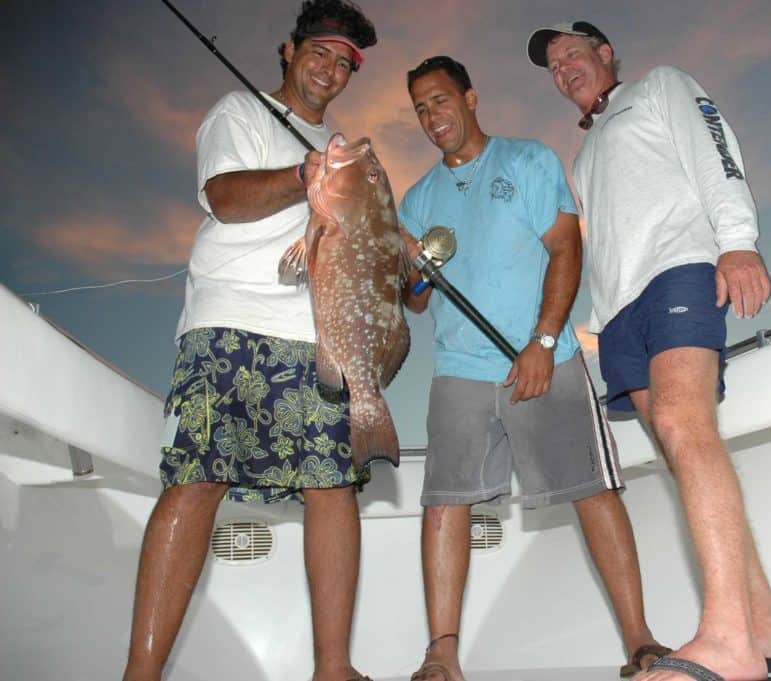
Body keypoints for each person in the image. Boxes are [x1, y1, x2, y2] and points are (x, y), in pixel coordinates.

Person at [527, 21, 771, 681]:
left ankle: (729, 641)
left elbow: (716, 149)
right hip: (622, 312)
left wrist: (738, 238)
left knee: (686, 423)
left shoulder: (659, 87)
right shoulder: (585, 154)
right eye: (554, 65)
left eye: (573, 52)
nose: (564, 66)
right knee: (680, 456)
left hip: (680, 269)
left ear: (606, 53)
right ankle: (769, 629)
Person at [123, 3, 378, 680]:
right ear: (289, 51)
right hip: (227, 324)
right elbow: (226, 197)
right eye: (319, 53)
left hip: (316, 333)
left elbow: (361, 246)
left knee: (332, 486)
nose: (330, 70)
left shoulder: (343, 154)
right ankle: (140, 673)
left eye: (345, 63)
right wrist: (304, 177)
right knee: (197, 481)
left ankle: (333, 668)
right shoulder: (237, 110)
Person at [398, 56, 669, 681]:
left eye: (440, 100)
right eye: (419, 108)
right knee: (444, 503)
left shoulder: (527, 161)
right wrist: (410, 267)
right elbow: (415, 300)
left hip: (542, 358)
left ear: (469, 97)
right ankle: (441, 654)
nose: (431, 116)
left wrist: (544, 341)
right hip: (460, 369)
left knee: (592, 493)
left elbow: (565, 248)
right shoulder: (416, 200)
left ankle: (640, 642)